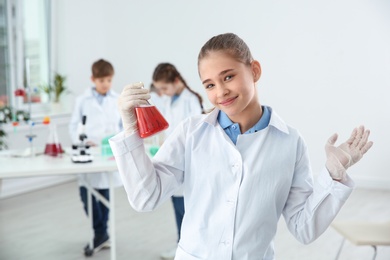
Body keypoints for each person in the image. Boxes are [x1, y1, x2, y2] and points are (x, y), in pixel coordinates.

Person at [109, 33, 373, 260]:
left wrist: (333, 174)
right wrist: (131, 129)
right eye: (210, 84)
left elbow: (303, 228)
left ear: (254, 70)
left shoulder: (290, 142)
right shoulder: (191, 133)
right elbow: (146, 198)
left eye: (228, 77)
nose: (220, 91)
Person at [69, 58, 122, 256]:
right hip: (89, 152)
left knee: (105, 194)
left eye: (109, 80)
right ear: (93, 79)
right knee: (87, 195)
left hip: (107, 153)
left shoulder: (116, 99)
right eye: (102, 81)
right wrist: (81, 140)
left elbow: (121, 126)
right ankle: (101, 233)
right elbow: (74, 125)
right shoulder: (82, 101)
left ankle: (101, 234)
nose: (106, 84)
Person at [151, 63, 204, 260]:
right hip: (175, 160)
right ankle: (181, 247)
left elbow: (196, 134)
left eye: (164, 88)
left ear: (176, 81)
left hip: (188, 162)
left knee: (187, 211)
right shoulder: (170, 100)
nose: (162, 93)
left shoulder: (191, 100)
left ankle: (188, 249)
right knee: (178, 208)